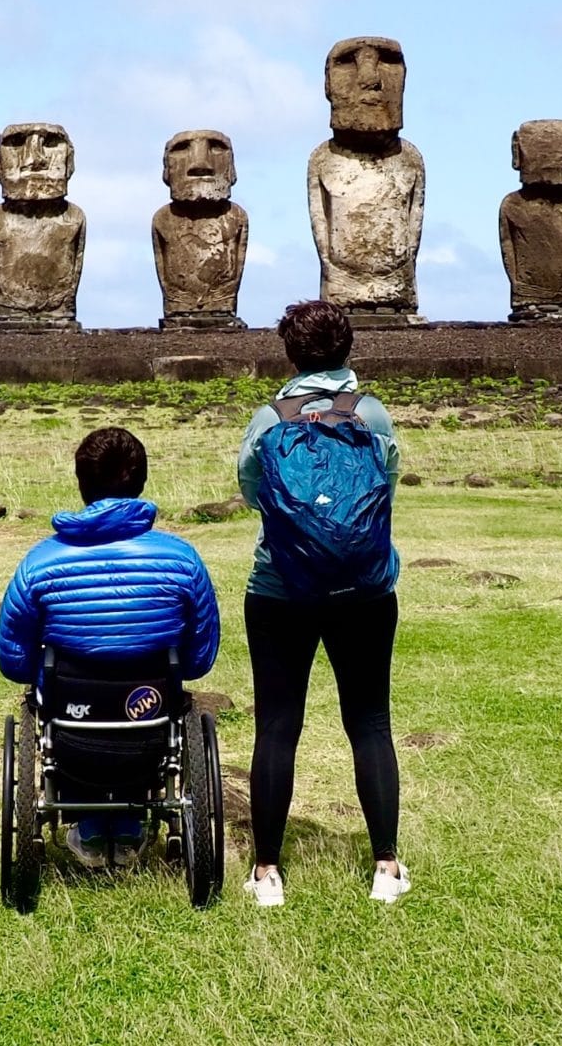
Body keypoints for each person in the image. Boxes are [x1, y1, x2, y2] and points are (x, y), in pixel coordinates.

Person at [234, 298, 408, 907]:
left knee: (278, 726)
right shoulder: (373, 415)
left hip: (280, 587)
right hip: (365, 588)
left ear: (291, 353)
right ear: (347, 349)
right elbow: (385, 486)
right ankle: (386, 865)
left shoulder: (268, 419)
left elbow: (254, 493)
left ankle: (266, 871)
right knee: (370, 721)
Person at [0, 426, 221, 870]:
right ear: (140, 482)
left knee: (53, 698)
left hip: (71, 718)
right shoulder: (182, 558)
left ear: (81, 484)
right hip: (152, 714)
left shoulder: (40, 561)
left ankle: (92, 824)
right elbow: (200, 657)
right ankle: (132, 823)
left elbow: (13, 657)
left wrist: (44, 678)